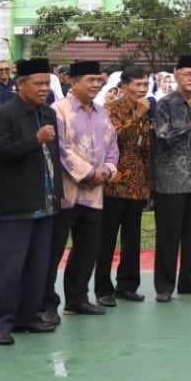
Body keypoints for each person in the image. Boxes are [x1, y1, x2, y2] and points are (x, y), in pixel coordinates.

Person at [0, 58, 63, 344]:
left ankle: (27, 317)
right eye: (38, 84)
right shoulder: (4, 114)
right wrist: (35, 140)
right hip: (14, 203)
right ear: (21, 85)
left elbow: (53, 158)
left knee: (37, 266)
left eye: (47, 83)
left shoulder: (49, 113)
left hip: (46, 201)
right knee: (8, 267)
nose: (44, 89)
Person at [51, 61, 119, 317]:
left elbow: (113, 147)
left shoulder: (103, 113)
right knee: (54, 251)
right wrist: (88, 173)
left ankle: (77, 299)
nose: (96, 84)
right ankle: (47, 304)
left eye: (99, 80)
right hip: (66, 193)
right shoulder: (58, 110)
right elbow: (60, 149)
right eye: (90, 80)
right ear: (73, 81)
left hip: (95, 194)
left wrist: (108, 171)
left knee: (87, 250)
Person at [150, 54, 191, 301]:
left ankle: (189, 281)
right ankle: (164, 287)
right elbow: (163, 139)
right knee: (168, 235)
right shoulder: (165, 104)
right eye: (187, 74)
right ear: (175, 74)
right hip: (171, 181)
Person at [95, 67, 151, 306]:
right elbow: (114, 138)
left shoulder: (145, 110)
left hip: (136, 185)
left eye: (145, 85)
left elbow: (144, 148)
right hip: (114, 185)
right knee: (107, 238)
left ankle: (127, 285)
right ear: (125, 86)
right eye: (138, 85)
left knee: (132, 239)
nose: (142, 89)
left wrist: (147, 182)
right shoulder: (111, 110)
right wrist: (137, 116)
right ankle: (103, 289)